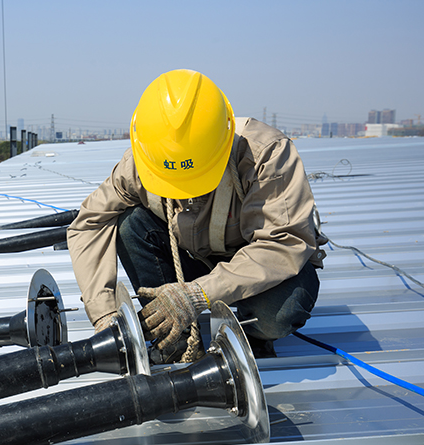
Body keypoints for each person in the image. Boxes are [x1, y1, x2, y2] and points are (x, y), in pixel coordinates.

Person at [67, 69, 326, 361]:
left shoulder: (265, 154)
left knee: (278, 312)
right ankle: (173, 337)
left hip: (262, 270)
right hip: (194, 260)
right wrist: (105, 314)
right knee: (130, 225)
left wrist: (197, 294)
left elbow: (282, 243)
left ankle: (253, 338)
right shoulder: (145, 158)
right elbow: (89, 223)